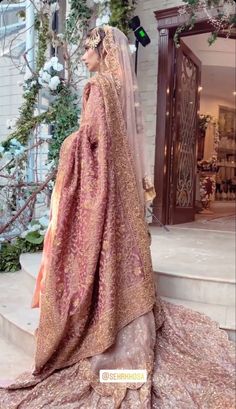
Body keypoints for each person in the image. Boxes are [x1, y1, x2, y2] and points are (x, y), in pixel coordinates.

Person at [0, 25, 234, 409]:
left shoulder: (96, 86)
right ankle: (126, 322)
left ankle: (107, 339)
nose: (83, 57)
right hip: (120, 186)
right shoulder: (119, 88)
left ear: (101, 51)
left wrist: (68, 143)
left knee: (97, 250)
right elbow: (113, 144)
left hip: (105, 187)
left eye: (86, 50)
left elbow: (91, 140)